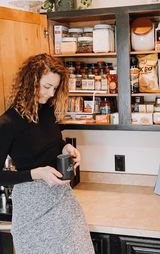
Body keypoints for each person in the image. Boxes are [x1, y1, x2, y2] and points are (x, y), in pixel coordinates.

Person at [0, 53, 95, 254]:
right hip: (32, 207)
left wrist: (65, 148)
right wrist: (36, 174)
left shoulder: (46, 110)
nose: (51, 94)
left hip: (63, 199)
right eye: (46, 87)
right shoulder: (7, 124)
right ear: (30, 82)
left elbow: (52, 141)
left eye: (55, 88)